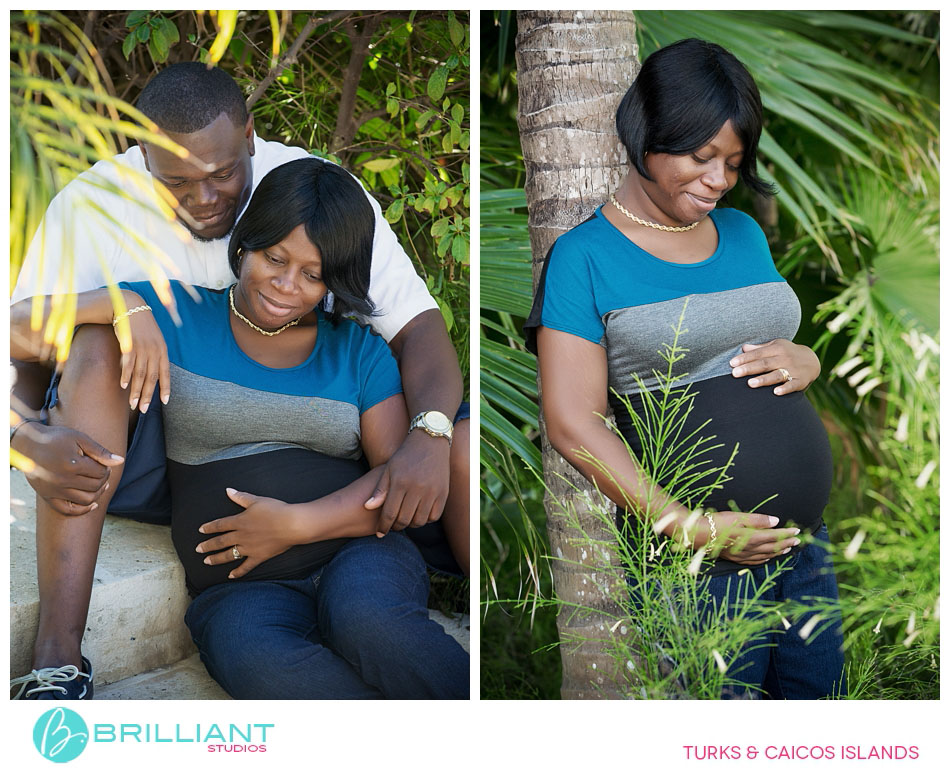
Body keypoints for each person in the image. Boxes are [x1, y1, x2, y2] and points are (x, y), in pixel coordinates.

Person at [10, 62, 469, 698]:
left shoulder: (317, 212)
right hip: (153, 444)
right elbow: (17, 339)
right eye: (178, 180)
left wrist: (431, 432)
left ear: (250, 136)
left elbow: (418, 331)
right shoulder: (101, 219)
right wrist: (27, 426)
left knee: (376, 623)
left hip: (339, 521)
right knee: (93, 343)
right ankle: (57, 656)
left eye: (223, 174)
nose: (204, 198)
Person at [525, 38, 845, 699]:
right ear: (647, 133)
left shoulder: (744, 235)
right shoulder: (583, 258)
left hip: (805, 547)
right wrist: (688, 526)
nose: (719, 180)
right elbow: (572, 423)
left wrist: (806, 357)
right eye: (701, 158)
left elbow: (772, 345)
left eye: (732, 161)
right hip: (698, 563)